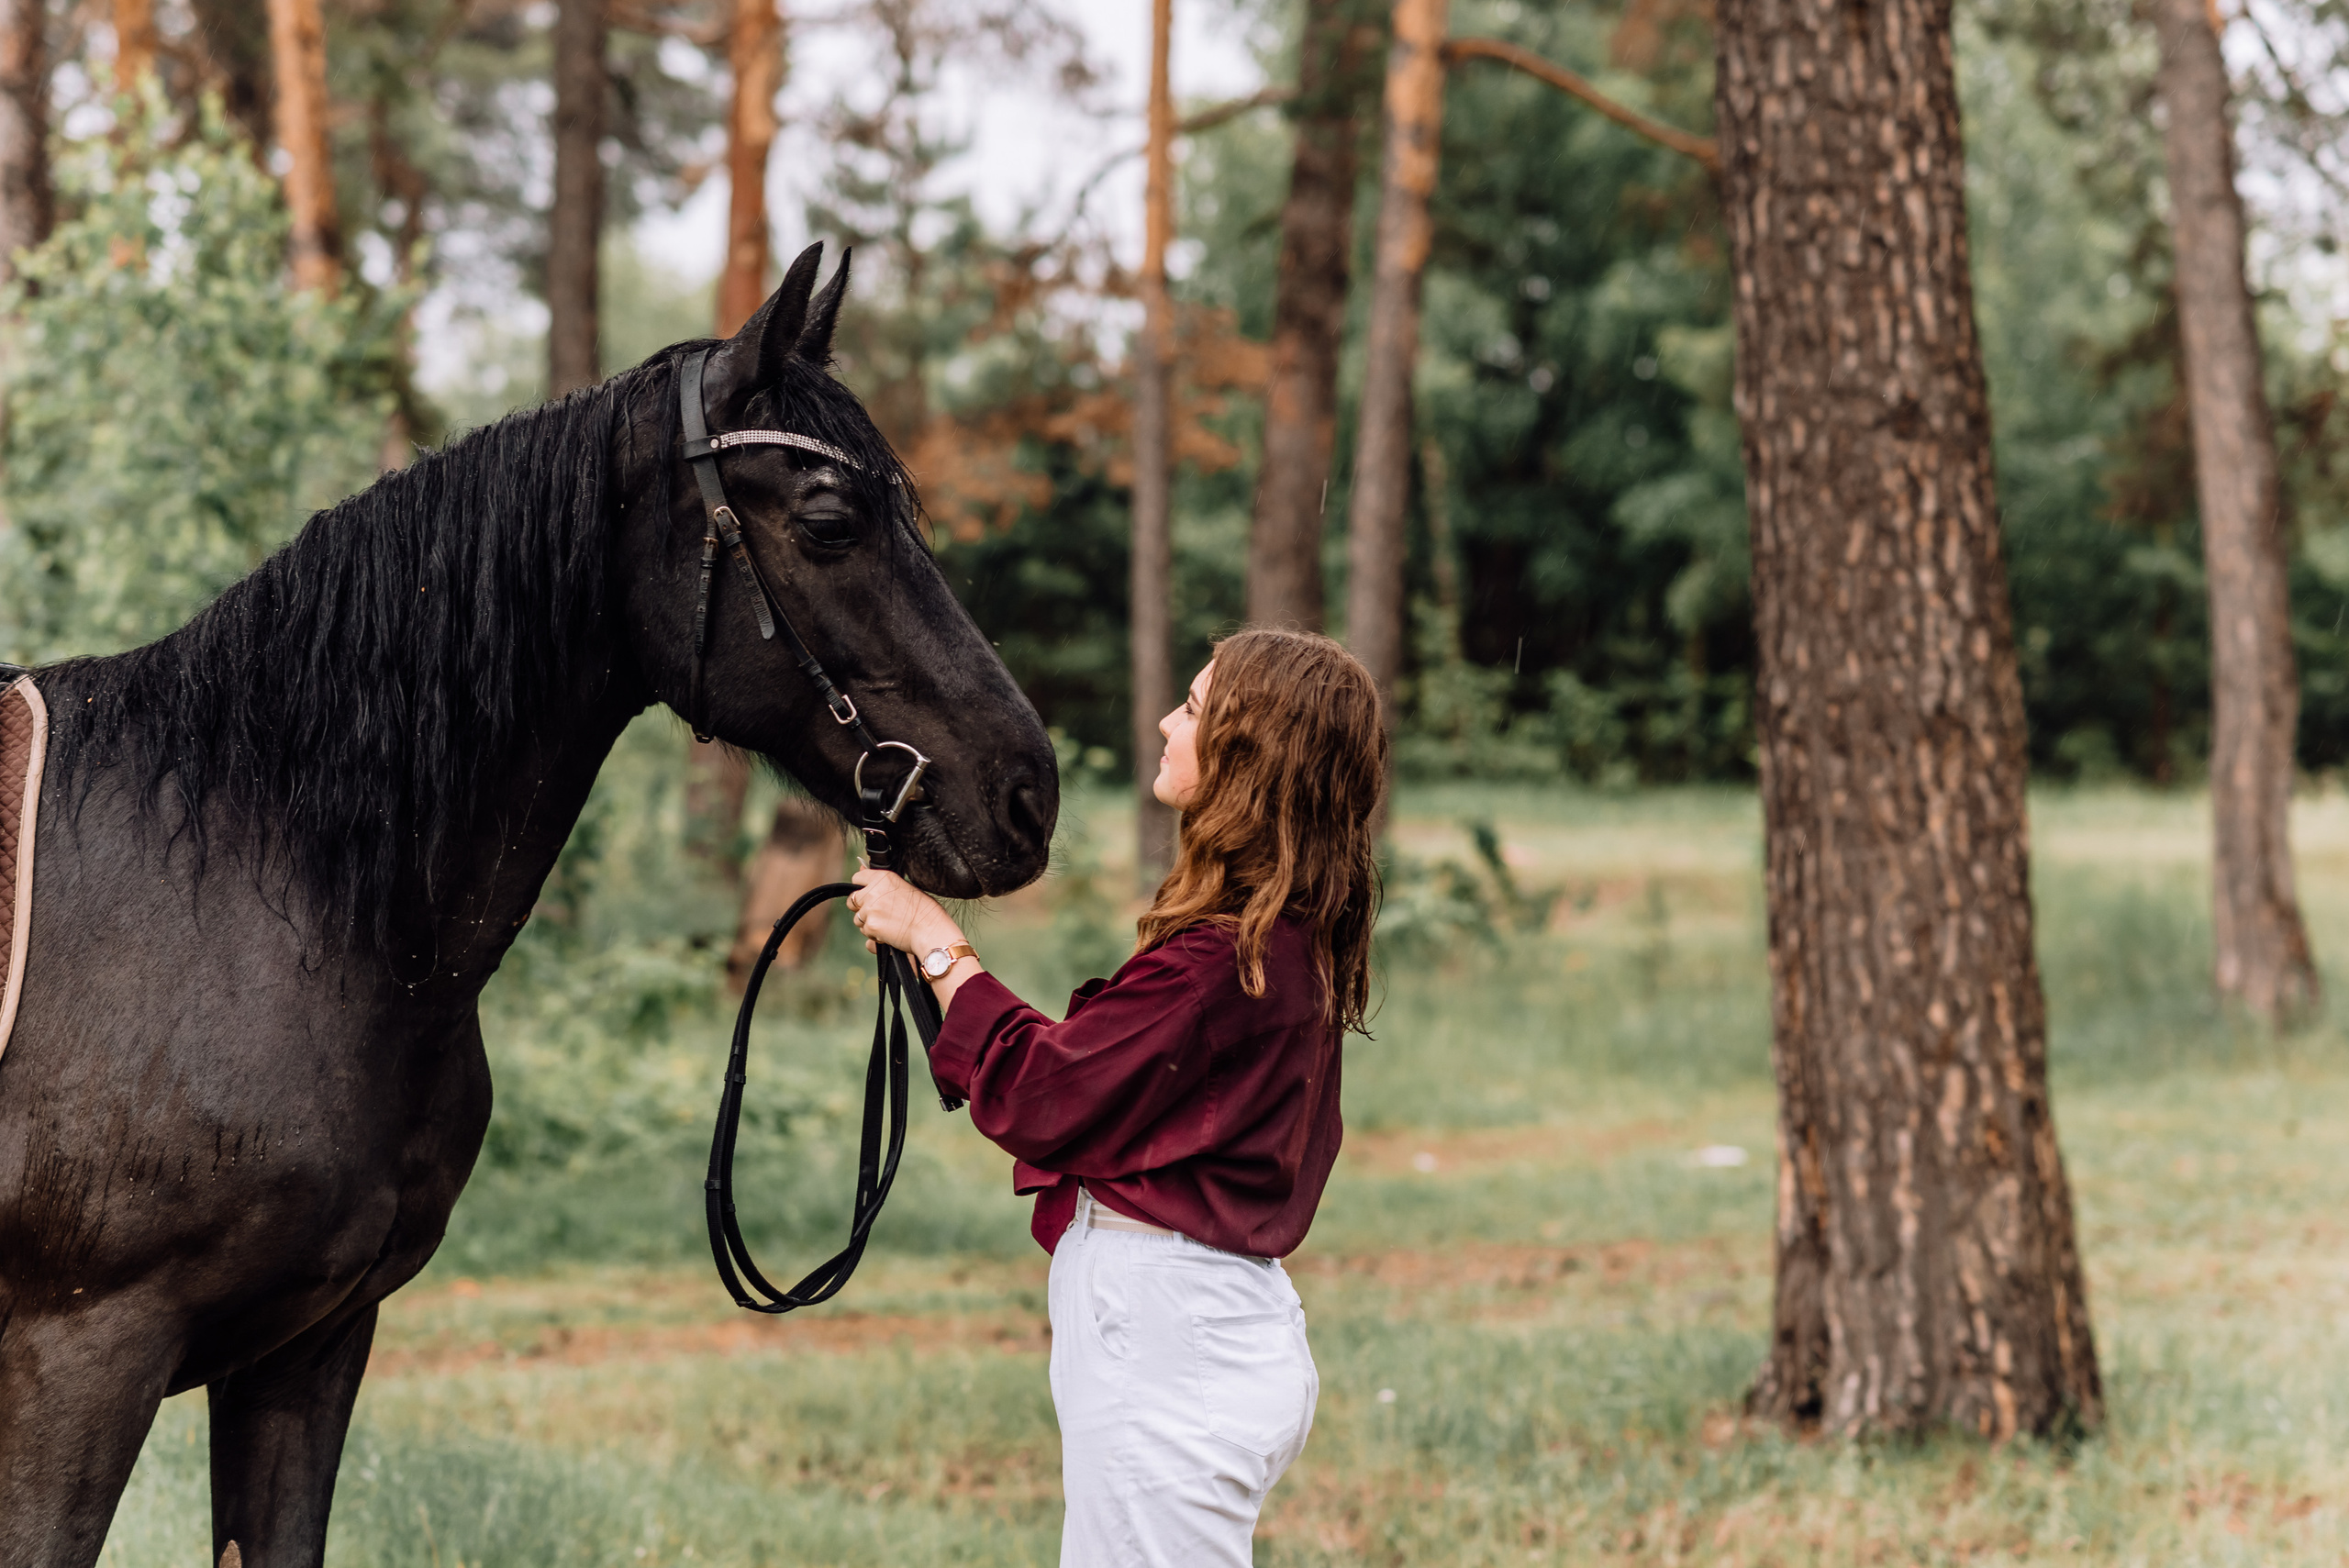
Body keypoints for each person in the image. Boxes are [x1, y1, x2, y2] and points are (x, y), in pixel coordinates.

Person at [847, 626, 1387, 1568]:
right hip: (1201, 1330)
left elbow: (1047, 1092)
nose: (1167, 723)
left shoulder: (1224, 962)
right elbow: (1094, 1079)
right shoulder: (1275, 942)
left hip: (1171, 1343)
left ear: (1247, 756)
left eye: (1193, 708)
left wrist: (936, 942)